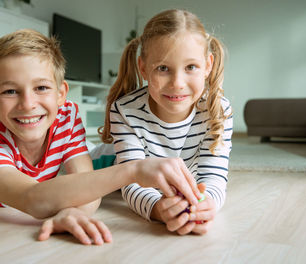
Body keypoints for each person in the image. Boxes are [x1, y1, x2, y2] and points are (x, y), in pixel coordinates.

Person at [0, 29, 202, 245]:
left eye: (41, 88)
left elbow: (86, 185)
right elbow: (32, 198)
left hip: (32, 155)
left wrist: (71, 212)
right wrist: (133, 169)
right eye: (10, 92)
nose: (28, 104)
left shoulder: (65, 115)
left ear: (62, 94)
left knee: (85, 163)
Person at [100, 9, 233, 235]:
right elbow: (129, 180)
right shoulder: (125, 111)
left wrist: (204, 206)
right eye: (163, 68)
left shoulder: (217, 110)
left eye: (191, 67)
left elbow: (213, 177)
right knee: (72, 174)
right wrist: (158, 209)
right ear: (143, 68)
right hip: (107, 160)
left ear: (207, 66)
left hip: (168, 178)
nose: (178, 83)